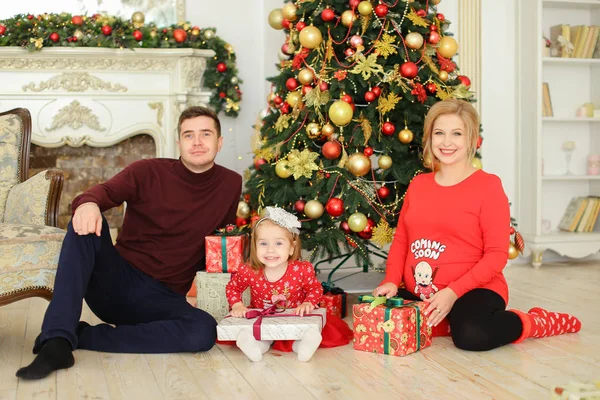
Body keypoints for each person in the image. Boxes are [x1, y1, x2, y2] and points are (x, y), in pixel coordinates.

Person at [17, 106, 242, 380]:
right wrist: (87, 204)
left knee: (203, 331)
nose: (197, 142)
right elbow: (102, 192)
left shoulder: (231, 183)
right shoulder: (147, 171)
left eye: (205, 134)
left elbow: (222, 243)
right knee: (85, 222)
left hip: (163, 299)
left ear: (219, 142)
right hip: (117, 283)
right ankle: (56, 340)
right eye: (188, 135)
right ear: (178, 143)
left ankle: (87, 336)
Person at [373, 98, 581, 351]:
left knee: (472, 335)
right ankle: (446, 320)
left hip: (473, 289)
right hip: (422, 291)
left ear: (471, 140)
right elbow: (403, 240)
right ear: (430, 138)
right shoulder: (419, 185)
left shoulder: (488, 187)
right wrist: (392, 281)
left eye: (457, 134)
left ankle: (531, 321)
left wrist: (452, 292)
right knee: (379, 317)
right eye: (439, 133)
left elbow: (496, 256)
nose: (447, 142)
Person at [225, 207, 352, 362]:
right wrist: (237, 305)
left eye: (279, 243)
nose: (270, 250)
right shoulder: (250, 271)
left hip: (296, 317)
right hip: (264, 319)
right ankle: (253, 345)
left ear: (292, 247)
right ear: (255, 246)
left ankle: (304, 345)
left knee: (300, 332)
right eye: (263, 244)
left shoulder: (300, 270)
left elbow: (315, 289)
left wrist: (308, 303)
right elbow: (233, 287)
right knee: (261, 335)